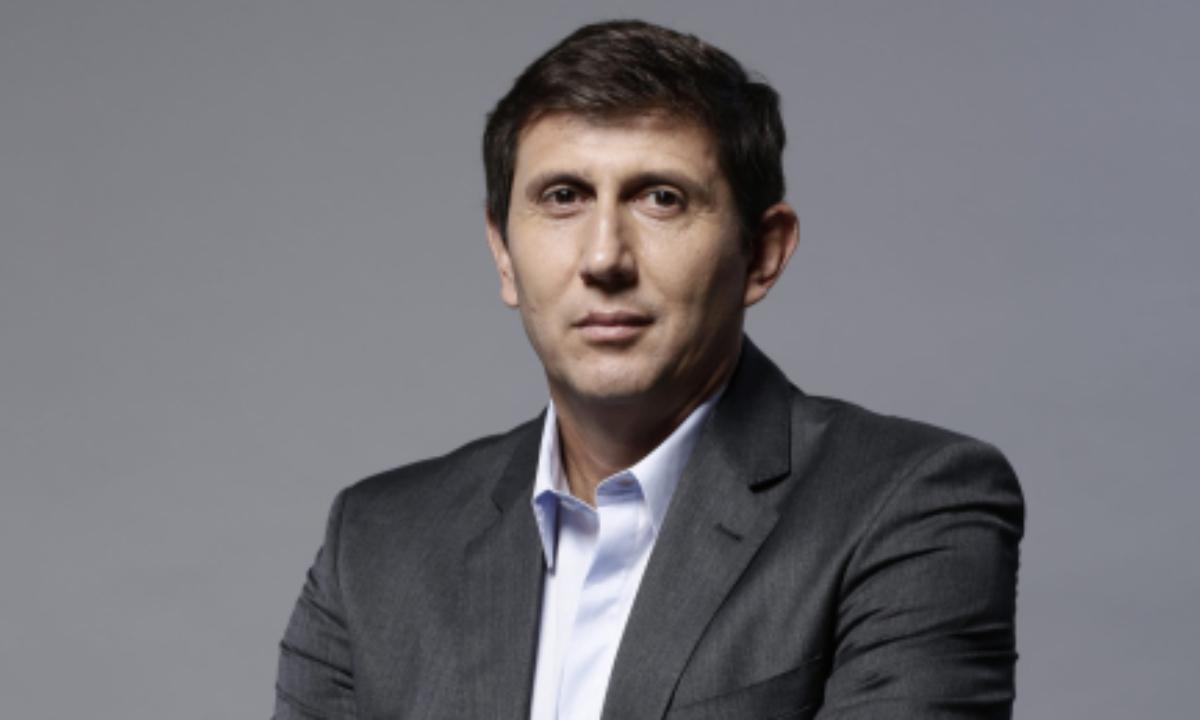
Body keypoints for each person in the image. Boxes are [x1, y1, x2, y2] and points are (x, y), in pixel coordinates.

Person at [274, 19, 1024, 720]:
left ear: (762, 255)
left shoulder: (909, 504)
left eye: (661, 199)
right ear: (503, 253)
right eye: (563, 198)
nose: (604, 257)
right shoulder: (375, 543)